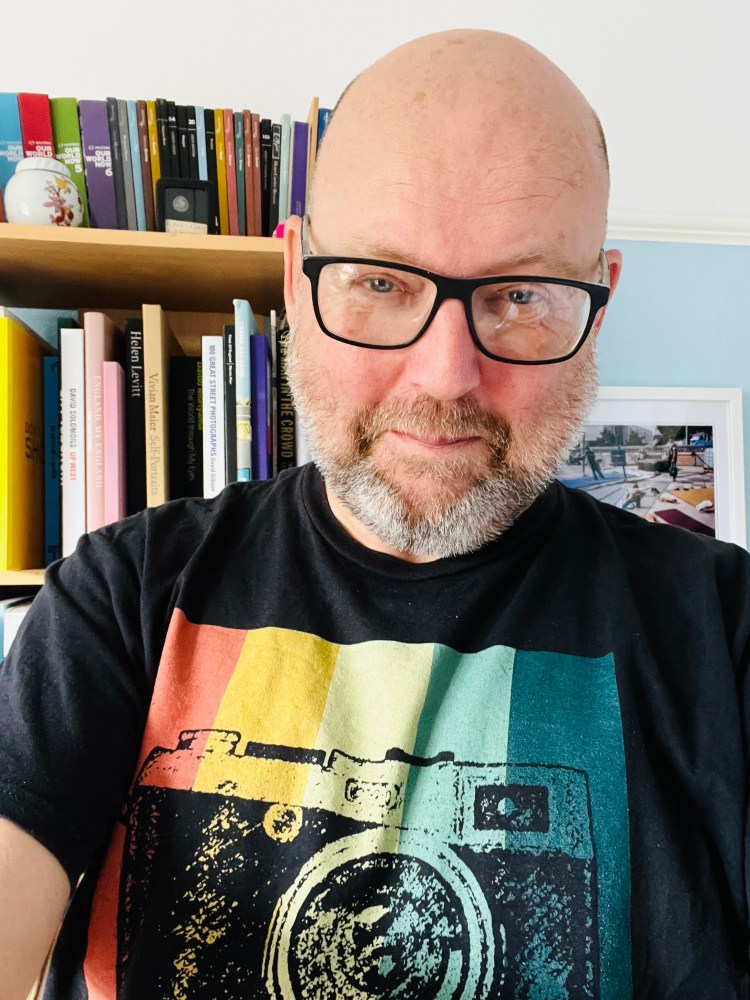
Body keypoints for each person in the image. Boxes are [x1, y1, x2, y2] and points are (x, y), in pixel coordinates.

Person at [1, 29, 748, 1000]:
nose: (446, 374)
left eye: (521, 294)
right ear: (295, 279)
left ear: (596, 306)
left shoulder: (725, 633)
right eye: (382, 282)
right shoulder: (120, 602)